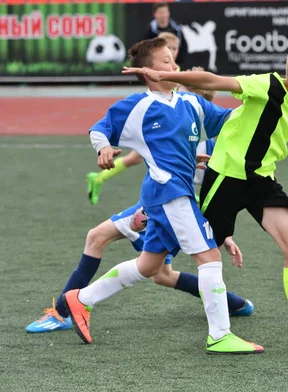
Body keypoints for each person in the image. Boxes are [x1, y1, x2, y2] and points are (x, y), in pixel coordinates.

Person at [123, 39, 288, 350]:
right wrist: (167, 77)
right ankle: (142, 224)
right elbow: (213, 81)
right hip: (227, 177)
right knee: (170, 258)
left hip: (261, 182)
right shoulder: (266, 85)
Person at [62, 37, 263, 355]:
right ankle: (221, 335)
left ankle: (81, 299)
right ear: (148, 71)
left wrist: (260, 104)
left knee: (149, 266)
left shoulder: (191, 103)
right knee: (208, 257)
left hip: (172, 194)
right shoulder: (137, 106)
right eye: (166, 61)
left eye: (173, 59)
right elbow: (100, 128)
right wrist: (103, 148)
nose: (174, 64)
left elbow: (228, 121)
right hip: (169, 192)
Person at [26, 139, 254, 334]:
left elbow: (212, 196)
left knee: (98, 237)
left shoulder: (211, 142)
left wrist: (224, 235)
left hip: (169, 206)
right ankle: (234, 303)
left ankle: (64, 313)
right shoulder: (181, 126)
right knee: (162, 275)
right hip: (159, 203)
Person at [86, 32, 213, 205]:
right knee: (150, 163)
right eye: (168, 53)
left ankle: (169, 198)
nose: (173, 53)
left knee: (154, 162)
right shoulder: (159, 88)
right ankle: (101, 180)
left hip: (170, 128)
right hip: (159, 126)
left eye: (175, 49)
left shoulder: (176, 74)